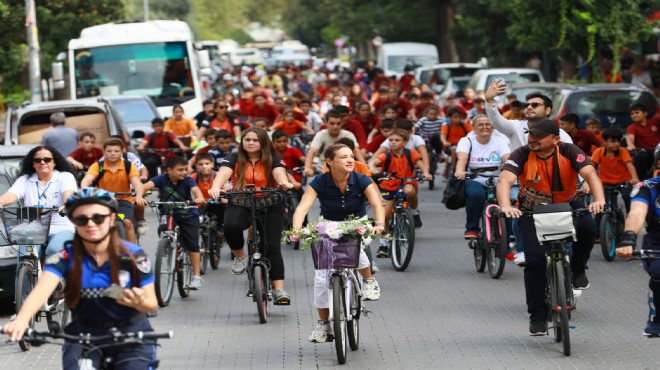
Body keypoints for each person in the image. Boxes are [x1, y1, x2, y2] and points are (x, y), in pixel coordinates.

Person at [1, 188, 159, 368]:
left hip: (131, 336)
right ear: (74, 222)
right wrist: (22, 319)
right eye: (82, 219)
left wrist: (139, 303)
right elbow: (40, 292)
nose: (91, 224)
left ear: (112, 218)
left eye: (98, 218)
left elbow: (151, 303)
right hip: (84, 335)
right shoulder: (64, 257)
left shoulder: (133, 256)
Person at [496, 119, 605, 336]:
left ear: (555, 139)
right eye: (531, 136)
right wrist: (507, 206)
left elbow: (590, 174)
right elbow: (505, 181)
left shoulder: (569, 150)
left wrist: (599, 199)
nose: (533, 140)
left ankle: (577, 269)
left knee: (587, 228)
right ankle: (537, 317)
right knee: (535, 262)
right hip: (531, 210)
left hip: (568, 205)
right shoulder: (522, 154)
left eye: (539, 136)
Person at [292, 143, 385, 343]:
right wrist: (297, 228)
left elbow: (377, 203)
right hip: (329, 225)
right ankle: (324, 325)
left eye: (351, 156)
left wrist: (379, 224)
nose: (350, 160)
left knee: (356, 249)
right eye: (343, 157)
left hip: (358, 223)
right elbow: (302, 207)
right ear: (329, 161)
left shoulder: (361, 179)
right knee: (320, 278)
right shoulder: (320, 181)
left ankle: (369, 281)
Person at [208, 127, 294, 305]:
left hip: (269, 202)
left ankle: (279, 290)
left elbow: (279, 171)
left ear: (262, 142)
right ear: (242, 141)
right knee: (231, 226)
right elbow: (224, 172)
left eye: (255, 140)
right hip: (241, 201)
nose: (251, 143)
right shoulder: (234, 157)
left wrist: (283, 182)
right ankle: (239, 256)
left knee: (272, 246)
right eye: (247, 140)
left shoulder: (273, 157)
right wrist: (216, 185)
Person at [136, 157, 205, 290]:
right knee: (163, 229)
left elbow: (196, 190)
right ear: (169, 170)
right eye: (180, 170)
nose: (184, 172)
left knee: (192, 244)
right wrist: (139, 197)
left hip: (187, 213)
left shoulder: (188, 180)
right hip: (167, 212)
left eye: (185, 169)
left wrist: (199, 197)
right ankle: (168, 246)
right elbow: (144, 187)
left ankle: (196, 276)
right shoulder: (161, 179)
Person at [0, 146, 77, 257]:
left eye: (47, 159)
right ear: (33, 164)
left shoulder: (64, 177)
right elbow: (12, 195)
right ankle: (24, 272)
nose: (42, 162)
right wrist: (1, 202)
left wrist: (67, 205)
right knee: (25, 255)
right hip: (33, 228)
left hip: (61, 227)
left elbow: (69, 195)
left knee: (54, 250)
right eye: (37, 160)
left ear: (54, 162)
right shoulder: (25, 179)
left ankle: (55, 274)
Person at [369, 129, 432, 252]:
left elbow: (420, 164)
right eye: (391, 140)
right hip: (389, 185)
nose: (393, 143)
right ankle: (383, 244)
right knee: (384, 215)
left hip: (406, 181)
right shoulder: (386, 155)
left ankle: (413, 212)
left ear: (404, 142)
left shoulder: (411, 153)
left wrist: (426, 173)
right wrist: (372, 167)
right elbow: (375, 161)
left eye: (397, 140)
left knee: (410, 191)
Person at [454, 114, 511, 239]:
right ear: (474, 128)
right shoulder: (467, 141)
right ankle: (472, 229)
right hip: (474, 178)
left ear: (493, 127)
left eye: (488, 124)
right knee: (476, 195)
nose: (484, 127)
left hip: (497, 179)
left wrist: (513, 171)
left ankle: (507, 238)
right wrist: (460, 171)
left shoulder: (500, 141)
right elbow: (462, 159)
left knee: (506, 200)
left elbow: (507, 159)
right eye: (480, 125)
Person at [616, 177, 660, 336]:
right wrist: (629, 238)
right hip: (657, 242)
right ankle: (657, 318)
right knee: (658, 272)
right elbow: (637, 213)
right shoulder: (648, 187)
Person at [81, 138, 143, 244]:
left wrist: (139, 195)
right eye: (109, 151)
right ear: (104, 152)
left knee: (127, 222)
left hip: (124, 201)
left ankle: (134, 254)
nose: (112, 154)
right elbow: (85, 182)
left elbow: (137, 184)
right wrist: (86, 191)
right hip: (103, 201)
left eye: (116, 151)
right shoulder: (97, 166)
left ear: (122, 151)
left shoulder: (128, 166)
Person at [591, 127, 638, 212]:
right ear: (604, 142)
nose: (616, 144)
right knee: (601, 203)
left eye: (619, 141)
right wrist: (591, 180)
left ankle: (630, 215)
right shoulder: (598, 152)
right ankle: (598, 223)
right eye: (613, 141)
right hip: (605, 182)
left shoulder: (623, 151)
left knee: (627, 197)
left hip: (623, 181)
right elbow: (592, 166)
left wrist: (634, 178)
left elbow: (630, 165)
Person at [304, 110, 365, 176]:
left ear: (342, 123)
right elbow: (312, 151)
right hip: (323, 171)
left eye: (338, 123)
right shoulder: (321, 135)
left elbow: (356, 152)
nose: (335, 126)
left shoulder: (348, 135)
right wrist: (307, 168)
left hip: (345, 171)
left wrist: (365, 168)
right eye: (332, 123)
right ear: (326, 123)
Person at [626, 103, 660, 180]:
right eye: (632, 114)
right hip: (645, 152)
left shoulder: (655, 122)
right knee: (640, 156)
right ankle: (643, 182)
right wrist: (630, 145)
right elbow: (630, 138)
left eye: (637, 112)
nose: (634, 115)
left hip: (658, 150)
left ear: (645, 113)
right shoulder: (632, 127)